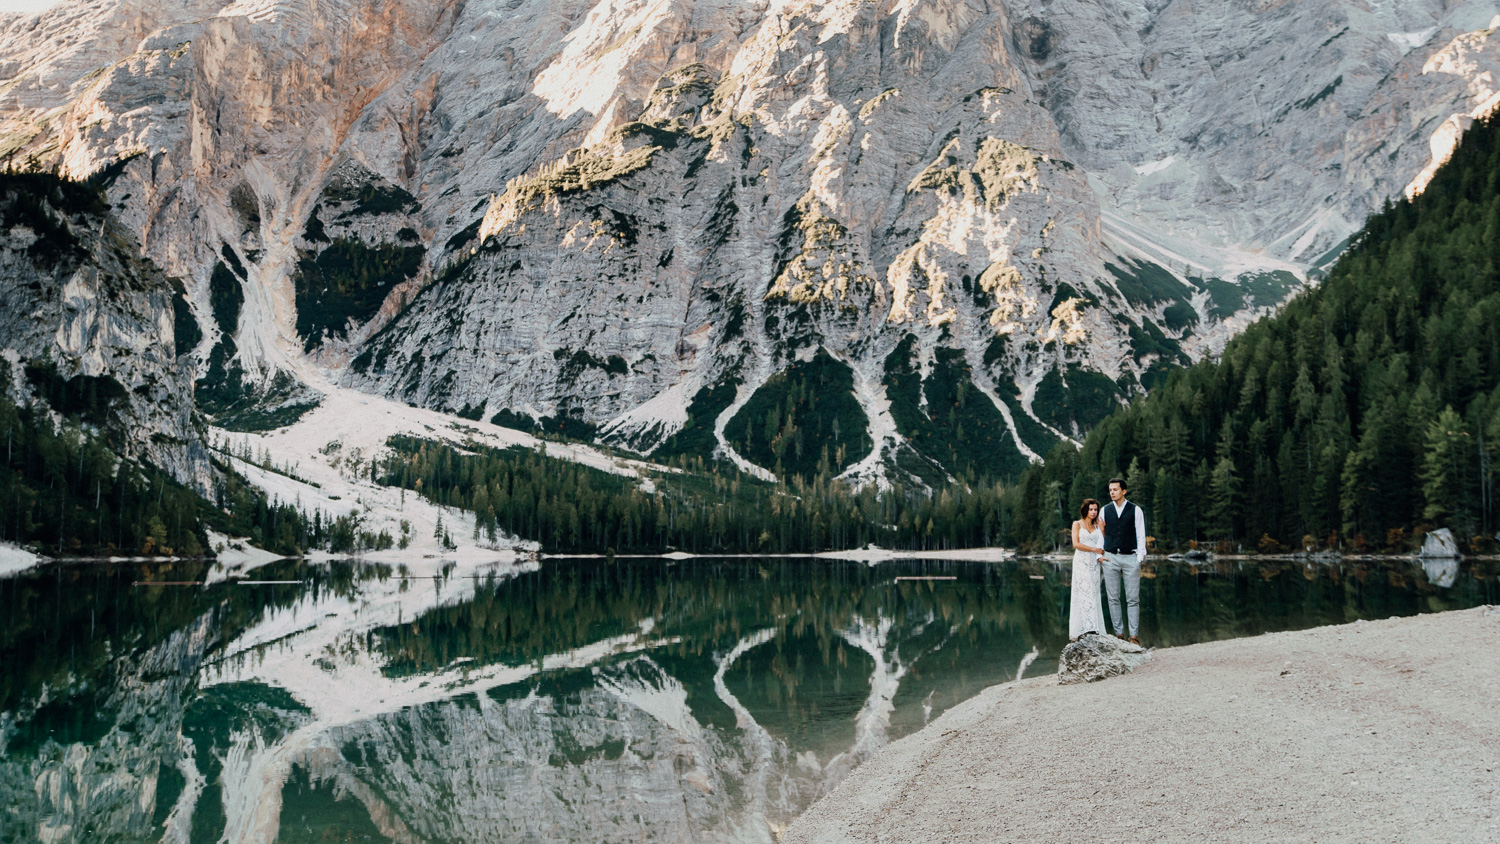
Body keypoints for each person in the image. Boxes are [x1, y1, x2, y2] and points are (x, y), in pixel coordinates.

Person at [1100, 477, 1146, 645]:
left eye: (1115, 489)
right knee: (1113, 598)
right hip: (1110, 557)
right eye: (1110, 490)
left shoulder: (1136, 510)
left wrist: (1139, 557)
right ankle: (1119, 634)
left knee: (1133, 598)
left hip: (1130, 557)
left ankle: (1133, 636)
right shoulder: (1105, 510)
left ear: (1124, 491)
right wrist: (1101, 555)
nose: (1112, 492)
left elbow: (1141, 533)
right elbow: (1100, 533)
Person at [1068, 498, 1107, 641]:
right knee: (1085, 591)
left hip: (1094, 564)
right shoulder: (1077, 524)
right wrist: (1093, 549)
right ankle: (1084, 628)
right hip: (1081, 561)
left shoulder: (1097, 526)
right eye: (1091, 509)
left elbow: (1102, 544)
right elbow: (1076, 544)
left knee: (1094, 592)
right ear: (1085, 510)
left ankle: (1095, 627)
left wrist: (1102, 530)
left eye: (1095, 509)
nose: (1093, 512)